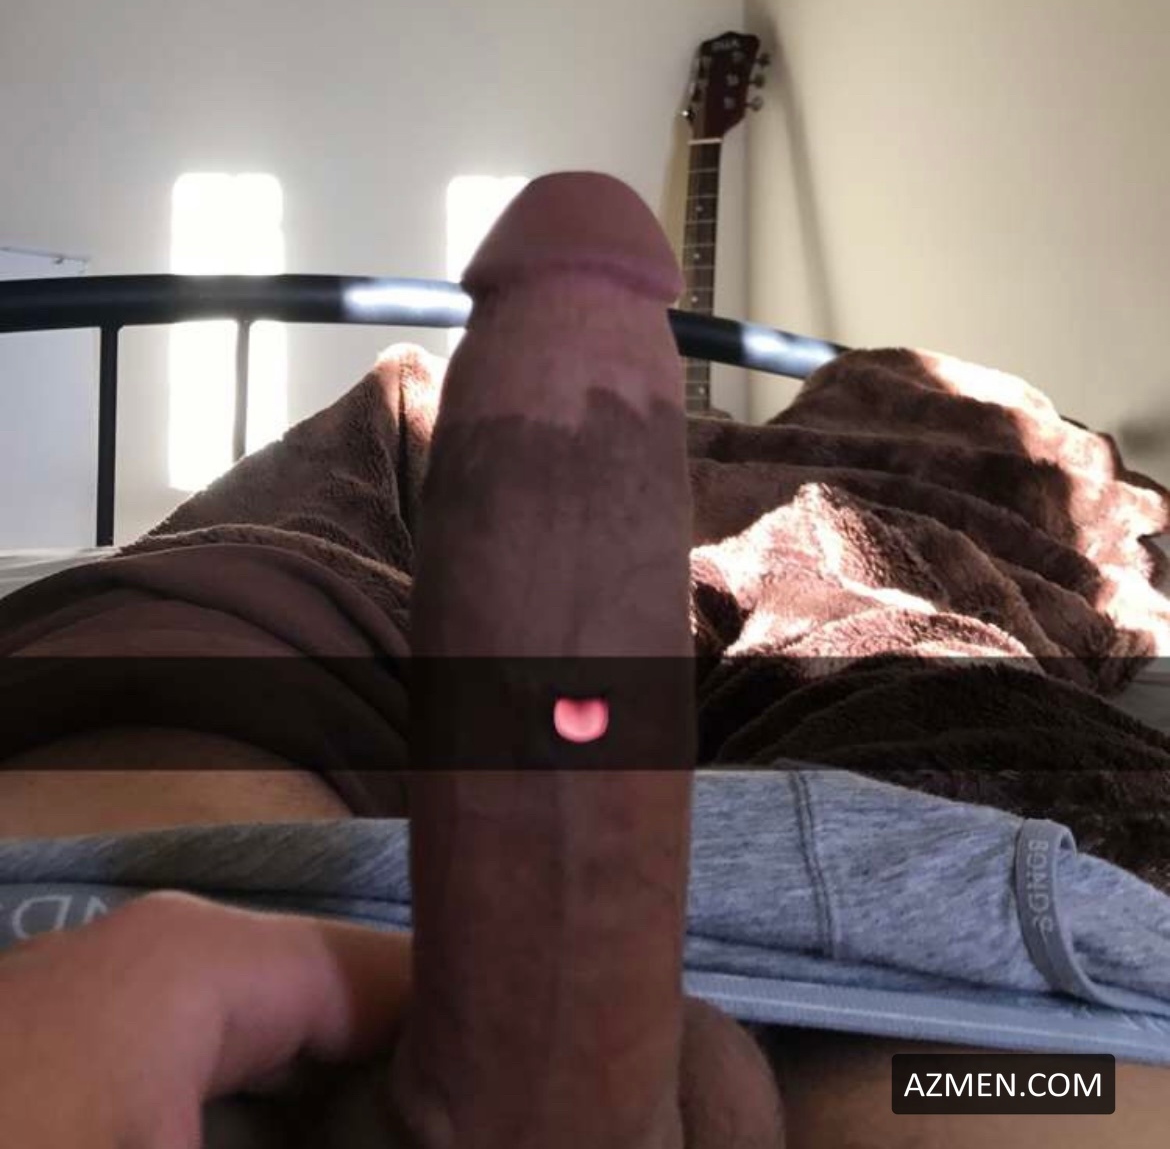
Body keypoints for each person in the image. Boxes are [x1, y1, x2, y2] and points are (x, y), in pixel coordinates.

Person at [1, 173, 1168, 1146]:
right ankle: (950, 1054)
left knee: (227, 616)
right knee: (916, 668)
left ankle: (107, 905)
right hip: (959, 987)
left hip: (143, 984)